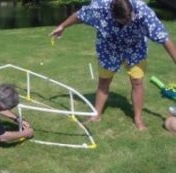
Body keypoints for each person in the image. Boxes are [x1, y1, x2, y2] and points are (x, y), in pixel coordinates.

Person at [50, 0, 176, 131]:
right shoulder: (99, 8)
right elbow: (79, 15)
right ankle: (97, 114)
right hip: (109, 47)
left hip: (135, 48)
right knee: (104, 80)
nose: (126, 23)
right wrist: (62, 26)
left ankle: (138, 119)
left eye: (128, 19)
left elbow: (164, 38)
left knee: (137, 81)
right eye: (122, 21)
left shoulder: (144, 12)